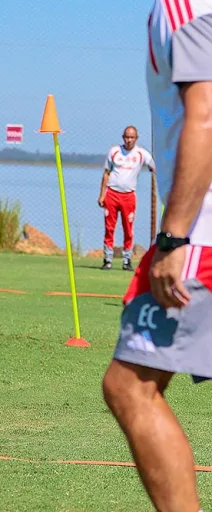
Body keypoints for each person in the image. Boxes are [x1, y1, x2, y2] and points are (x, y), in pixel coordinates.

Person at [102, 1, 212, 510]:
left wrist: (173, 238)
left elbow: (205, 117)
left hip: (199, 237)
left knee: (130, 387)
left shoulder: (185, 8)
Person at [98, 126, 155, 271]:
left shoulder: (142, 154)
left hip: (129, 196)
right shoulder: (114, 151)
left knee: (128, 229)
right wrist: (102, 194)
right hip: (112, 194)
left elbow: (154, 166)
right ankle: (108, 259)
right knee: (109, 227)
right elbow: (106, 173)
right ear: (123, 137)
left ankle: (127, 260)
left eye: (132, 138)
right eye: (126, 137)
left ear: (136, 138)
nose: (129, 140)